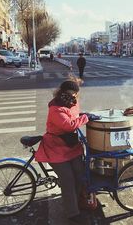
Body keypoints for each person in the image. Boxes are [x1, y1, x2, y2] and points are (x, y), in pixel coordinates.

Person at [35, 80, 100, 225]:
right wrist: (86, 118)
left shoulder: (72, 102)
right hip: (55, 148)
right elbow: (69, 125)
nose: (75, 96)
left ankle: (77, 200)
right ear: (63, 93)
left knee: (80, 172)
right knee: (68, 180)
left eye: (76, 94)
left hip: (71, 146)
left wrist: (85, 114)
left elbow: (75, 116)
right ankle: (72, 213)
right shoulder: (55, 108)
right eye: (72, 94)